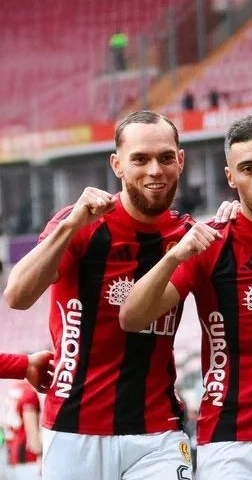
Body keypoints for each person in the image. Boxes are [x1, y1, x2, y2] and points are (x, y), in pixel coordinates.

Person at [119, 116, 252, 480]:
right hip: (228, 442)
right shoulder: (210, 242)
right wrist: (173, 257)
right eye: (248, 168)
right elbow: (132, 317)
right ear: (231, 177)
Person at [3, 110, 195, 480]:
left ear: (181, 161)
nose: (155, 170)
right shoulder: (83, 224)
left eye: (165, 157)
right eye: (140, 159)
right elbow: (18, 296)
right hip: (74, 429)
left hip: (158, 431)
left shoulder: (188, 235)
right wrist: (71, 225)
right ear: (117, 164)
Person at [5, 379, 42, 480]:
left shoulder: (15, 388)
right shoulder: (29, 393)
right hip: (27, 454)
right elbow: (31, 428)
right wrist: (40, 453)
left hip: (14, 449)